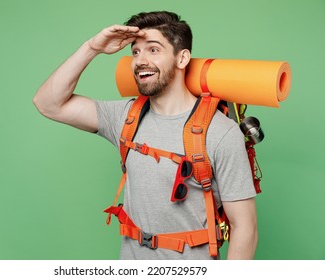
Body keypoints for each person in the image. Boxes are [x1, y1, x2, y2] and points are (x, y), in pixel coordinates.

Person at [33, 11, 258, 260]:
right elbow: (48, 103)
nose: (140, 60)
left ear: (182, 58)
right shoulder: (125, 117)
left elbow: (245, 229)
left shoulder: (220, 133)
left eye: (153, 50)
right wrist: (92, 47)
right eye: (135, 51)